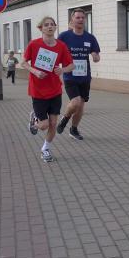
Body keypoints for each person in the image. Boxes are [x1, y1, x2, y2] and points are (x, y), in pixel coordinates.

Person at [22, 17, 72, 162]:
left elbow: (71, 65)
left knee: (53, 124)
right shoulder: (34, 44)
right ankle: (34, 121)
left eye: (52, 25)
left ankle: (45, 149)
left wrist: (62, 70)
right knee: (44, 125)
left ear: (55, 27)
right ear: (41, 28)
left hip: (55, 90)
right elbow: (23, 63)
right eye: (46, 25)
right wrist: (35, 71)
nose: (50, 27)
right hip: (38, 90)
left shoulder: (61, 46)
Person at [57, 9, 101, 140]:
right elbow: (56, 51)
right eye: (78, 17)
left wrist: (95, 56)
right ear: (72, 20)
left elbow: (96, 55)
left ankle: (74, 129)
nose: (80, 20)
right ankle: (65, 119)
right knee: (75, 102)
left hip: (85, 77)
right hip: (70, 75)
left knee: (81, 105)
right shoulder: (64, 36)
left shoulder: (90, 37)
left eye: (82, 17)